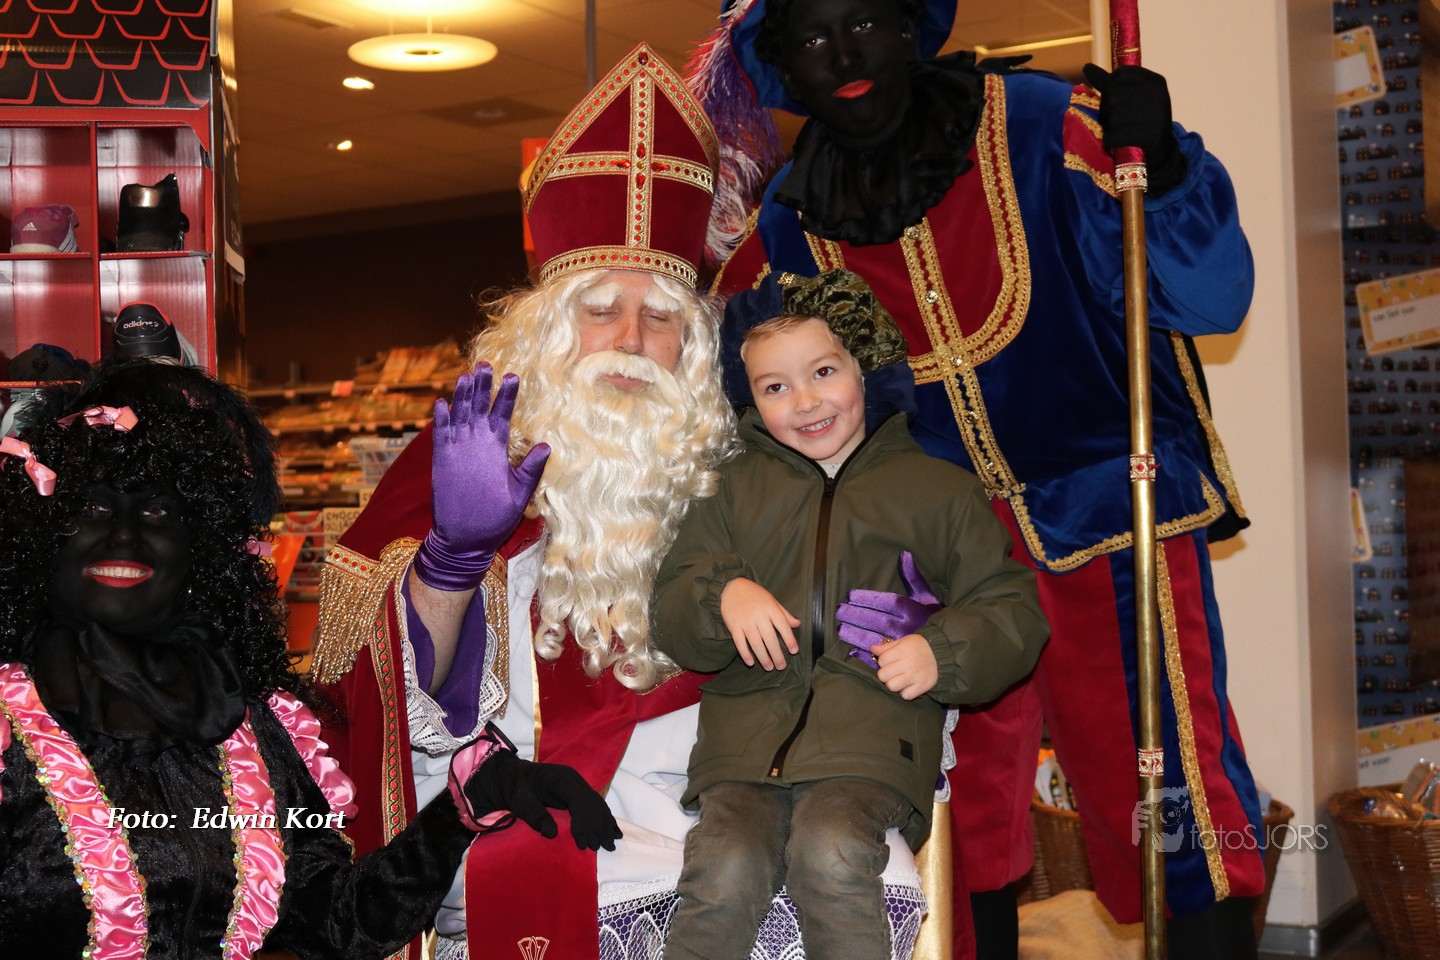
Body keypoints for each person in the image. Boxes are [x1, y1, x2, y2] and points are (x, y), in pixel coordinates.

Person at [312, 44, 936, 960]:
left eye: (663, 317)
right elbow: (377, 702)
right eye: (601, 309)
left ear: (697, 344)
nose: (632, 340)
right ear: (547, 328)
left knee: (868, 876)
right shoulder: (465, 455)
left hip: (746, 789)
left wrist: (898, 630)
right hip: (541, 804)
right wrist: (451, 560)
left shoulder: (756, 461)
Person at [691, 1, 1266, 958]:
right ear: (782, 68)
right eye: (812, 38)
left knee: (1168, 797)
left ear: (911, 22)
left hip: (1108, 520)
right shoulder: (787, 226)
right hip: (931, 570)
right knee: (956, 811)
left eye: (865, 18)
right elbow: (741, 394)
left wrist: (1164, 168)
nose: (844, 53)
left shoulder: (1046, 127)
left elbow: (1214, 297)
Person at [0, 358, 619, 960]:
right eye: (94, 508)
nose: (124, 537)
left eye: (159, 509)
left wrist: (462, 808)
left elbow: (336, 923)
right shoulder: (11, 723)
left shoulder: (248, 727)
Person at [652, 268, 1048, 960]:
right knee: (722, 869)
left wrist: (941, 650)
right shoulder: (727, 491)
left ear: (864, 367)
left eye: (824, 372)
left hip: (874, 741)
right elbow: (674, 607)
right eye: (776, 387)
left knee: (831, 853)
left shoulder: (939, 491)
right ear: (749, 398)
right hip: (742, 747)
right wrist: (723, 594)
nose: (806, 401)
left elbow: (1011, 607)